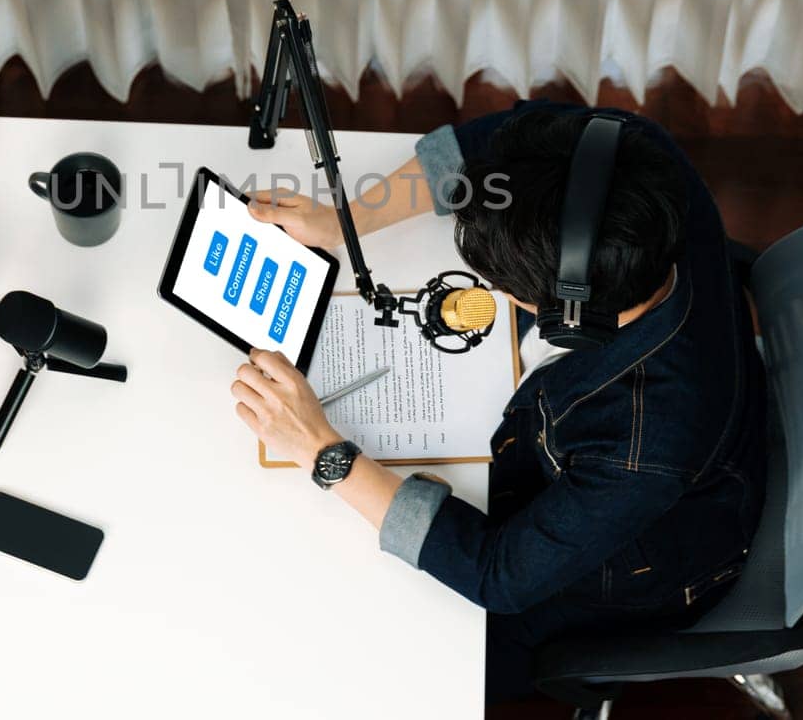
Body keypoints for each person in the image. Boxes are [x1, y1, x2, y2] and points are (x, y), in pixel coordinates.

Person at [232, 99, 767, 702]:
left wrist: (324, 452)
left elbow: (499, 575)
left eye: (505, 288)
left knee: (378, 661)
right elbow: (481, 149)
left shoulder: (648, 440)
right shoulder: (632, 154)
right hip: (644, 446)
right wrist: (344, 222)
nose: (490, 291)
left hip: (619, 571)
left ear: (571, 319)